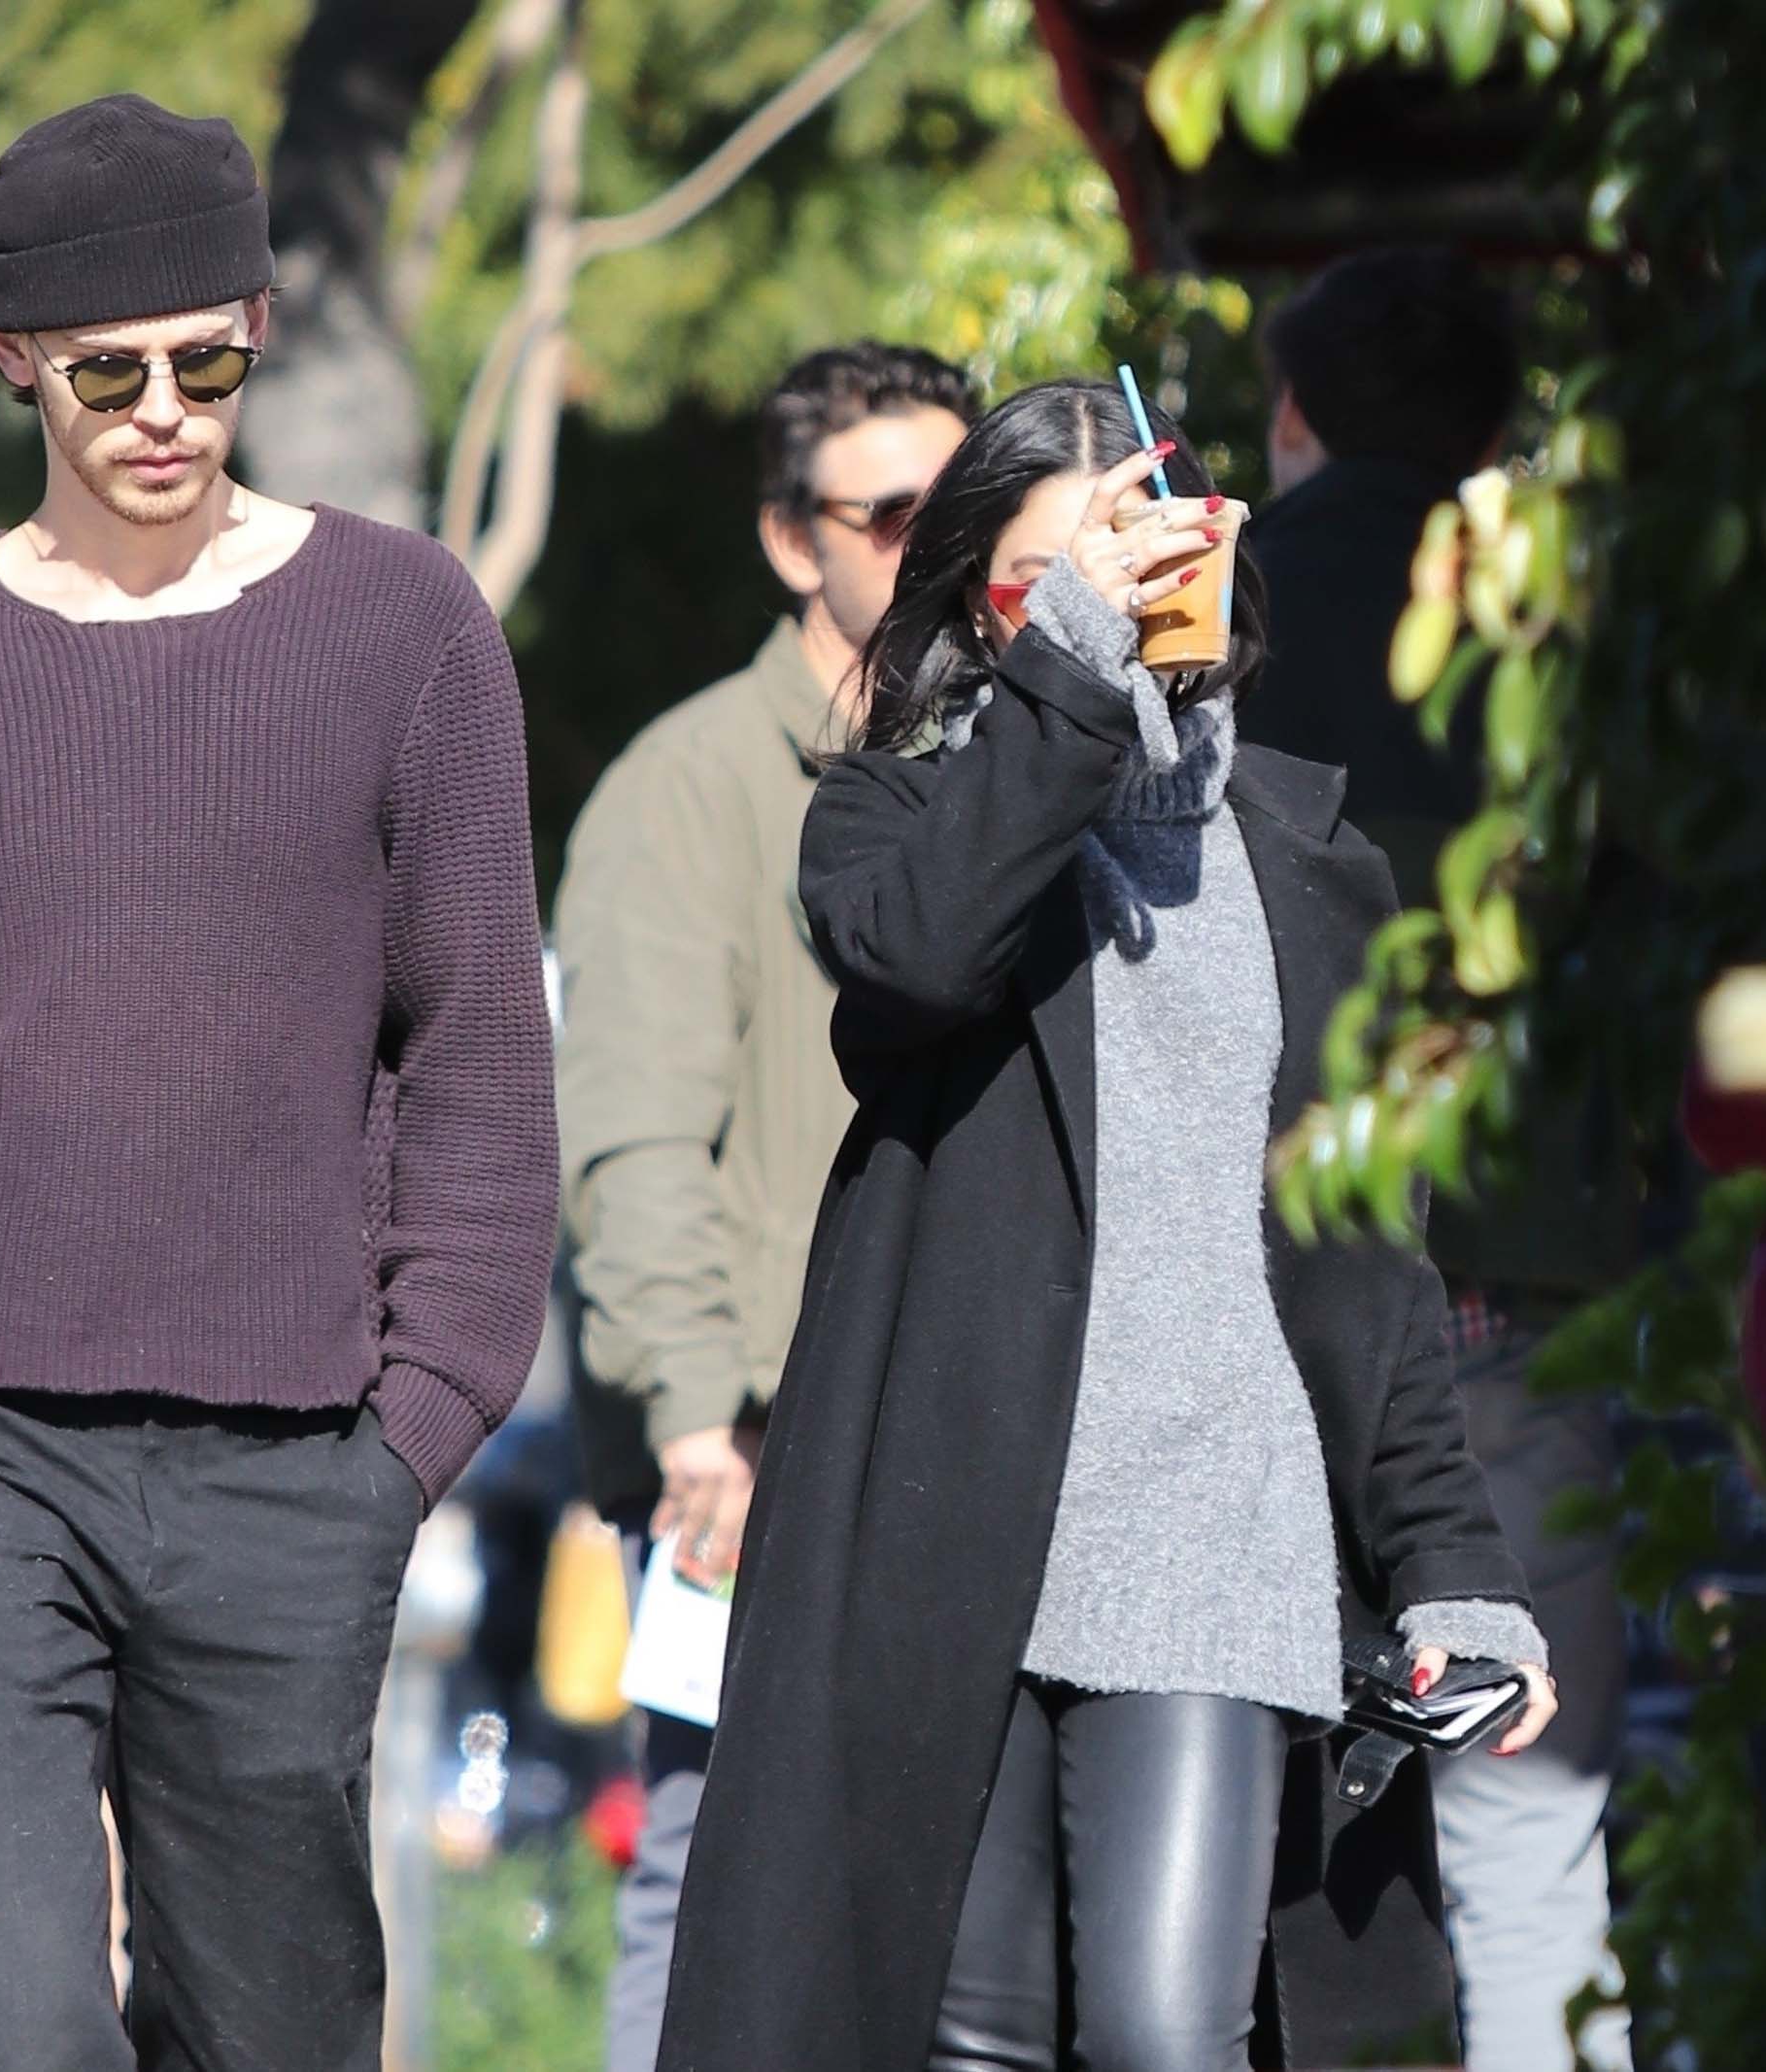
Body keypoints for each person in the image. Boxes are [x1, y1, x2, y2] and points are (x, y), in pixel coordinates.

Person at [0, 94, 558, 2072]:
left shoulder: (406, 630)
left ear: (255, 321)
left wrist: (403, 1440)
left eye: (209, 358)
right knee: (3, 2025)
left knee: (270, 2032)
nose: (165, 408)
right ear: (12, 360)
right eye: (106, 370)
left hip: (293, 1459)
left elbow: (481, 1055)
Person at [655, 381, 1554, 2072]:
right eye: (1043, 584)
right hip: (946, 1528)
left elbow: (1375, 1271)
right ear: (985, 616)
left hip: (1216, 1523)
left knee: (1162, 2033)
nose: (1109, 605)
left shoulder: (1311, 858)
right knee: (967, 2044)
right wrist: (1070, 679)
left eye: (1145, 561)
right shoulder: (895, 819)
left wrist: (1454, 1566)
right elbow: (924, 960)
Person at [554, 341, 973, 2072]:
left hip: (946, 1425)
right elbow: (635, 1134)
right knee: (715, 1870)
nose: (938, 550)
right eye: (895, 517)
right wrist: (696, 1417)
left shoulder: (1000, 760)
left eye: (971, 509)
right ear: (795, 541)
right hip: (759, 1433)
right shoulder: (692, 782)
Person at [1250, 249, 1638, 2072]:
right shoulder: (1570, 633)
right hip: (1509, 1295)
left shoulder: (1221, 610)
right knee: (1524, 1800)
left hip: (1254, 1295)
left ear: (1295, 416)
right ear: (1496, 435)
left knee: (1250, 1794)